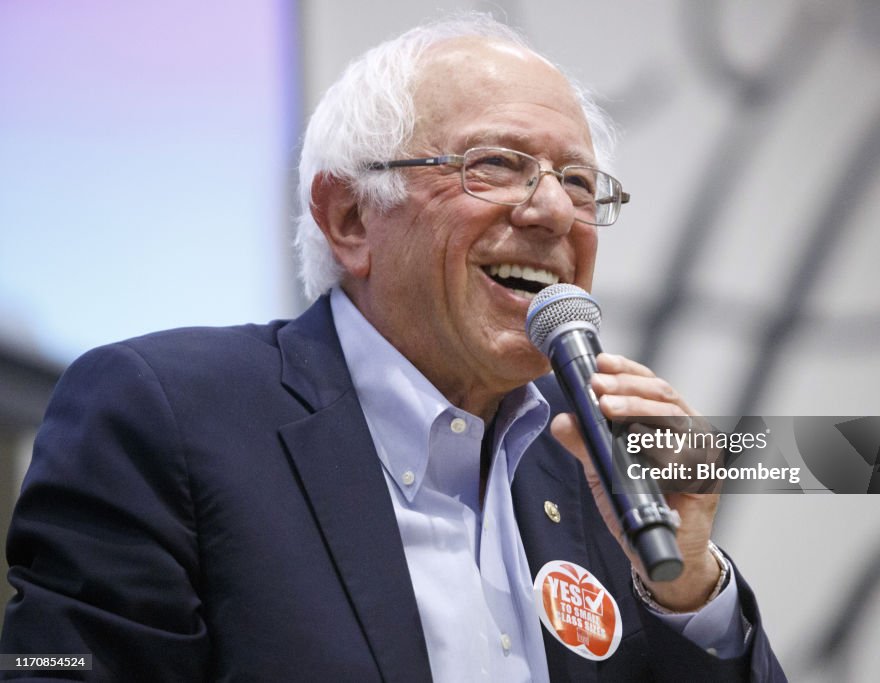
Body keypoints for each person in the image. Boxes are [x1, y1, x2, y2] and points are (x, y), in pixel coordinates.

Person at [1, 14, 785, 682]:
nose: (554, 210)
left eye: (580, 182)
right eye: (497, 165)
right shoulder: (161, 414)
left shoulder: (598, 469)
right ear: (348, 217)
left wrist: (688, 590)